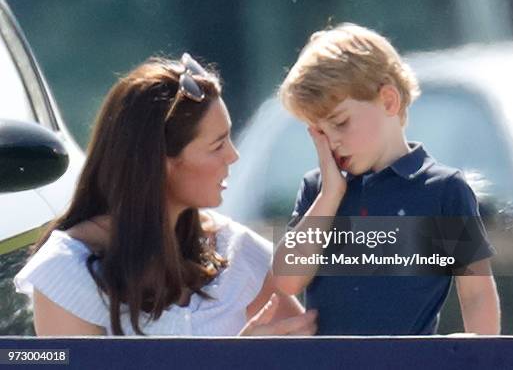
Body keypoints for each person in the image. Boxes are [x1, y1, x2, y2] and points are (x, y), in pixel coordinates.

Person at [13, 53, 317, 336]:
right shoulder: (66, 272)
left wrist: (332, 188)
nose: (233, 156)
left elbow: (314, 351)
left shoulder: (236, 251)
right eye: (217, 145)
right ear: (159, 163)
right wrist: (233, 360)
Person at [273, 23, 500, 335]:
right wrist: (330, 195)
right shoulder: (319, 191)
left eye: (340, 123)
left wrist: (478, 356)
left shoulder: (443, 191)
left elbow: (477, 294)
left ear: (389, 101)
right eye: (320, 132)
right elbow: (288, 279)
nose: (332, 141)